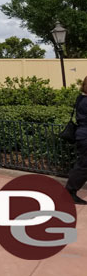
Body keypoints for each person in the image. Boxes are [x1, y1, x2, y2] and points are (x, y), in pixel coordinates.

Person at [66, 77, 87, 205]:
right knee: (83, 166)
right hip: (85, 137)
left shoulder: (81, 98)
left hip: (82, 135)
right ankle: (69, 191)